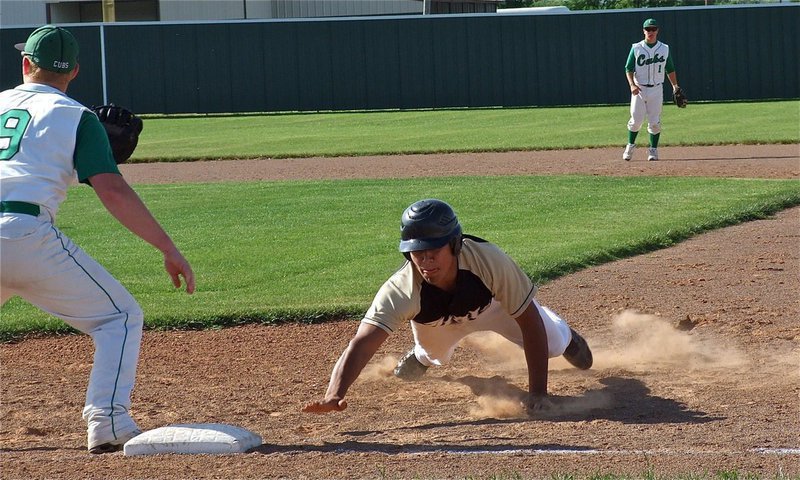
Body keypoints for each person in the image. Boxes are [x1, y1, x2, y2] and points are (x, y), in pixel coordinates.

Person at [0, 25, 196, 454]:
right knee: (119, 318)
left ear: (25, 64)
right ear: (74, 71)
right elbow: (112, 190)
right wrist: (168, 248)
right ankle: (107, 421)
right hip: (26, 234)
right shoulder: (75, 115)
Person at [303, 199, 592, 416]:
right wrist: (334, 393)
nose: (425, 259)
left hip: (494, 308)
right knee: (434, 354)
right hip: (436, 323)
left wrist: (538, 393)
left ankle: (564, 331)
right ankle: (421, 357)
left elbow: (528, 321)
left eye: (433, 250)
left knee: (551, 342)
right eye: (417, 251)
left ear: (454, 244)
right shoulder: (402, 288)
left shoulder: (489, 261)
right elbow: (362, 344)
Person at [622, 18, 681, 162]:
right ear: (643, 31)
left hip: (656, 89)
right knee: (636, 121)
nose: (651, 32)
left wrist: (675, 86)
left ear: (657, 31)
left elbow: (670, 69)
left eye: (653, 29)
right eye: (648, 29)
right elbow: (628, 68)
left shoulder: (664, 48)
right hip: (640, 89)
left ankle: (653, 150)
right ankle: (630, 145)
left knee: (655, 122)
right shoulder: (636, 48)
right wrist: (632, 85)